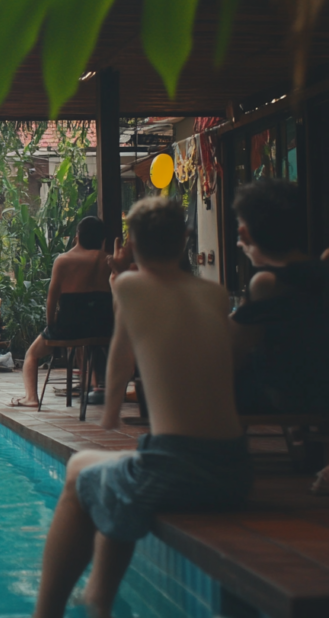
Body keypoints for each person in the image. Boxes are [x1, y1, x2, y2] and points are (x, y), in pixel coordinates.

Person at [32, 197, 251, 618]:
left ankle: (46, 613)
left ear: (130, 242)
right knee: (118, 476)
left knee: (79, 472)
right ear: (185, 238)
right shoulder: (214, 292)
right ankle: (99, 598)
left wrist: (111, 411)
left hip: (179, 468)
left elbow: (119, 355)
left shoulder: (132, 286)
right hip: (235, 468)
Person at [229, 179, 329, 416]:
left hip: (292, 397)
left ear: (245, 233)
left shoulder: (269, 283)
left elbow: (232, 354)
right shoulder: (320, 270)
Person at [14, 216, 113, 408]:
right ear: (102, 239)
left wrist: (51, 326)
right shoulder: (107, 260)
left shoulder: (64, 260)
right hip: (101, 329)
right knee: (86, 345)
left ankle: (31, 398)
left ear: (77, 236)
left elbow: (52, 299)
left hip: (69, 328)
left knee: (32, 355)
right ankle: (91, 385)